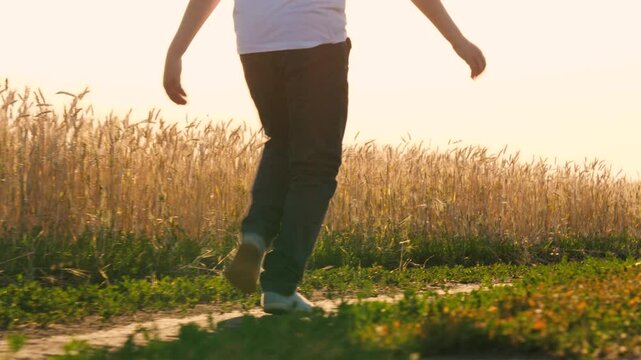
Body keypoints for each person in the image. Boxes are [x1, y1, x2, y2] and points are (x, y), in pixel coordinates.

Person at [164, 0, 486, 314]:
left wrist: (177, 50)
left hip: (256, 41)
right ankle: (281, 283)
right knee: (315, 166)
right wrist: (457, 40)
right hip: (314, 37)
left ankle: (256, 233)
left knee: (283, 140)